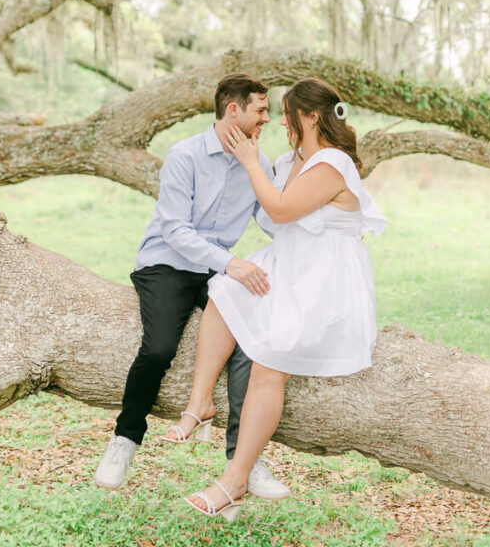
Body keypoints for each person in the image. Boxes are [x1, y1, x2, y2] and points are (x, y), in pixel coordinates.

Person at [164, 77, 386, 521]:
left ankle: (235, 479)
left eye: (286, 112)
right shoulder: (296, 159)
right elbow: (273, 215)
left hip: (323, 280)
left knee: (269, 365)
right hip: (290, 263)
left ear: (310, 116)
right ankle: (199, 404)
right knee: (225, 289)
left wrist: (249, 163)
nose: (279, 120)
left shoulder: (331, 162)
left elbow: (283, 210)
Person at [93, 72, 290, 499]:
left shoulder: (258, 160)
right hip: (167, 262)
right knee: (160, 346)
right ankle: (124, 440)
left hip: (215, 271)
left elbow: (274, 220)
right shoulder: (184, 156)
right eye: (260, 110)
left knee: (250, 343)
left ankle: (245, 460)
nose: (267, 120)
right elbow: (175, 230)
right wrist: (231, 263)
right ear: (233, 110)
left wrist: (325, 232)